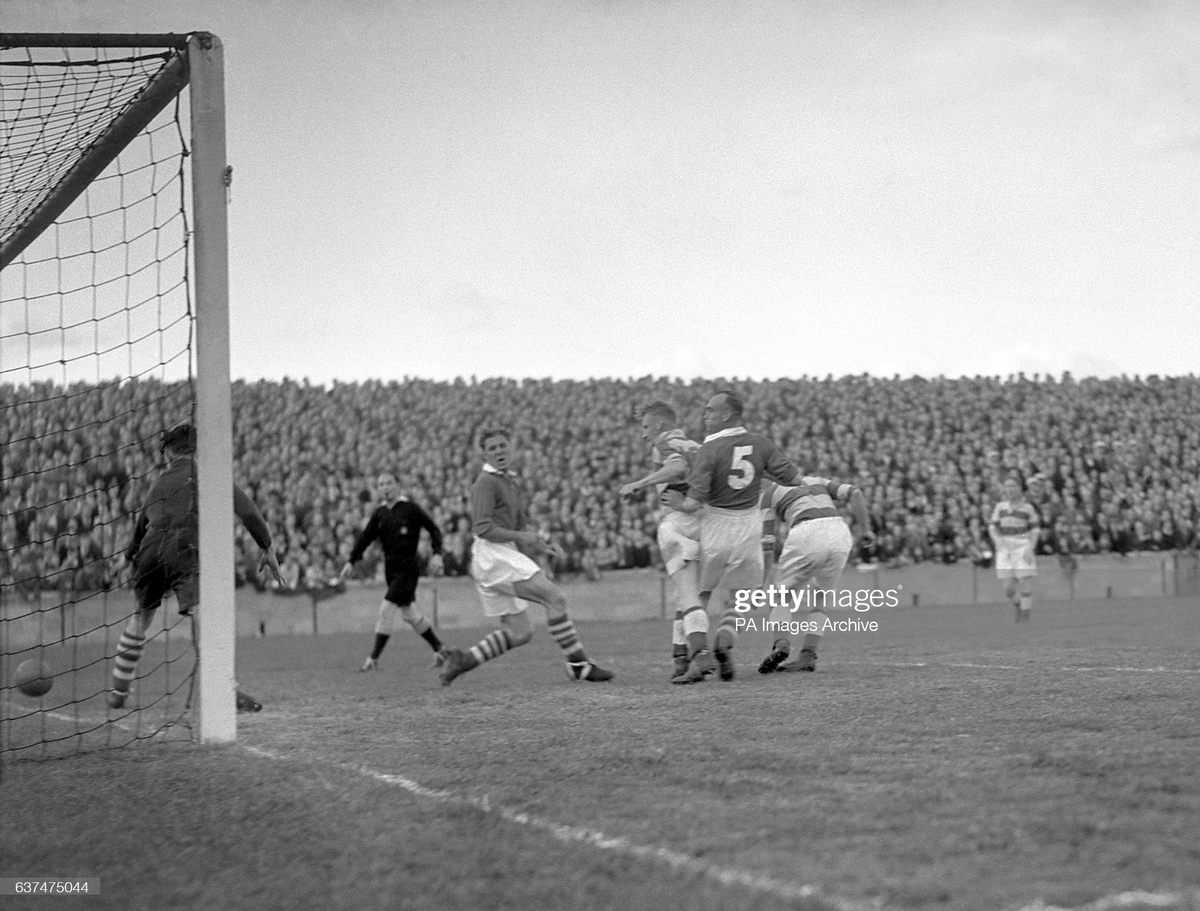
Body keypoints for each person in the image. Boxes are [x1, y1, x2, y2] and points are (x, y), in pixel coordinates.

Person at [108, 424, 284, 711]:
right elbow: (248, 511)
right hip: (183, 548)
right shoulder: (208, 474)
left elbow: (141, 525)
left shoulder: (158, 482)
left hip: (150, 551)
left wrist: (127, 557)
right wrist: (267, 546)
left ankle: (118, 690)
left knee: (141, 617)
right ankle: (227, 689)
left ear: (168, 453)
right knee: (208, 616)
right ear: (196, 448)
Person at [439, 426, 613, 685]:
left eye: (502, 445)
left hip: (501, 553)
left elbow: (520, 525)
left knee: (520, 633)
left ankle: (464, 660)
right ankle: (578, 664)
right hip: (492, 555)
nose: (499, 451)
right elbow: (483, 528)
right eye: (492, 448)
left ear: (512, 447)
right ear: (484, 454)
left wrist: (542, 544)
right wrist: (522, 538)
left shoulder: (509, 480)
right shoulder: (486, 483)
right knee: (555, 597)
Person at [662, 391, 801, 681]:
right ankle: (724, 641)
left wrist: (678, 504)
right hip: (750, 527)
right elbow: (792, 478)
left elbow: (694, 503)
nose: (706, 414)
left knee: (696, 595)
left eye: (711, 410)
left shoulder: (709, 449)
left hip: (716, 526)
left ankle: (696, 657)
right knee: (742, 597)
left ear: (727, 415)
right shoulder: (761, 443)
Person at [618, 401, 714, 683]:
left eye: (646, 426)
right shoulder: (697, 445)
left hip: (678, 522)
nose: (644, 433)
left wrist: (640, 483)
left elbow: (677, 468)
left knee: (687, 595)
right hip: (706, 520)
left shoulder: (664, 443)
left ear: (660, 424)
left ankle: (700, 656)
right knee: (687, 597)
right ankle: (680, 658)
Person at [757, 476, 873, 674]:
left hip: (807, 531)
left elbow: (767, 543)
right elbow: (855, 492)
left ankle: (781, 643)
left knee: (780, 596)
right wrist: (865, 530)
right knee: (823, 596)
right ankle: (808, 655)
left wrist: (762, 581)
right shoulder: (814, 479)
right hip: (839, 531)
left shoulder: (768, 495)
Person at [339, 473, 447, 671]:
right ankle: (441, 650)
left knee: (385, 610)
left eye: (389, 483)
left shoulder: (410, 509)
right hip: (391, 570)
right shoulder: (380, 513)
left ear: (398, 485)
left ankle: (373, 659)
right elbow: (365, 538)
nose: (385, 487)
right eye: (381, 484)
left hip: (408, 568)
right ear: (378, 489)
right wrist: (351, 561)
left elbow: (434, 529)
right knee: (410, 615)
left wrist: (437, 553)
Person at [988, 475, 1040, 622]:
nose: (1009, 489)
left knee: (1024, 583)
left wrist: (1031, 548)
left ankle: (1025, 619)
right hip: (1005, 549)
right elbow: (992, 527)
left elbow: (1035, 530)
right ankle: (1018, 606)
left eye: (1012, 486)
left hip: (1022, 547)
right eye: (1007, 486)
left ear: (1019, 489)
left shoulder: (1028, 508)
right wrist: (997, 540)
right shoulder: (1000, 507)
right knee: (1008, 589)